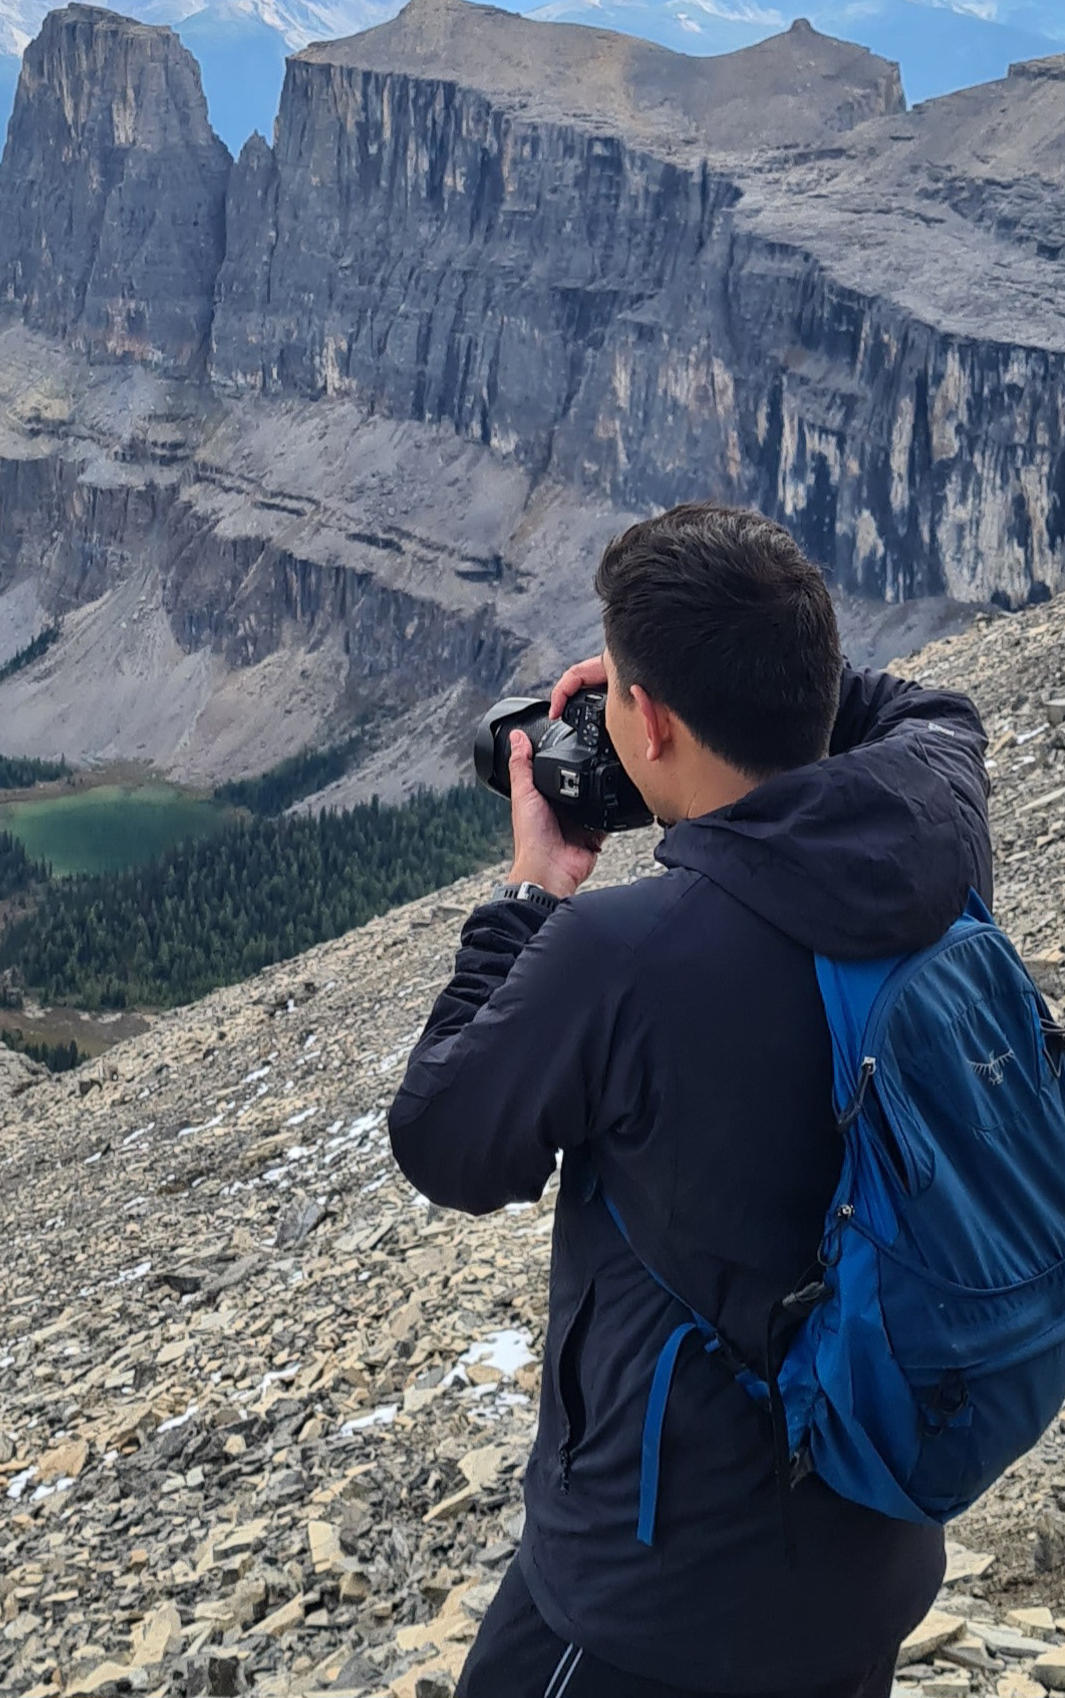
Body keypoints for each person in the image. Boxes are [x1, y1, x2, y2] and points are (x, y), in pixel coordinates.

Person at [387, 504, 994, 1697]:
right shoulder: (933, 816)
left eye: (623, 695)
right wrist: (745, 676)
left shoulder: (623, 951)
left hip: (648, 1602)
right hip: (867, 1540)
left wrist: (532, 891)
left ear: (650, 723)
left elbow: (446, 1138)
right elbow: (920, 708)